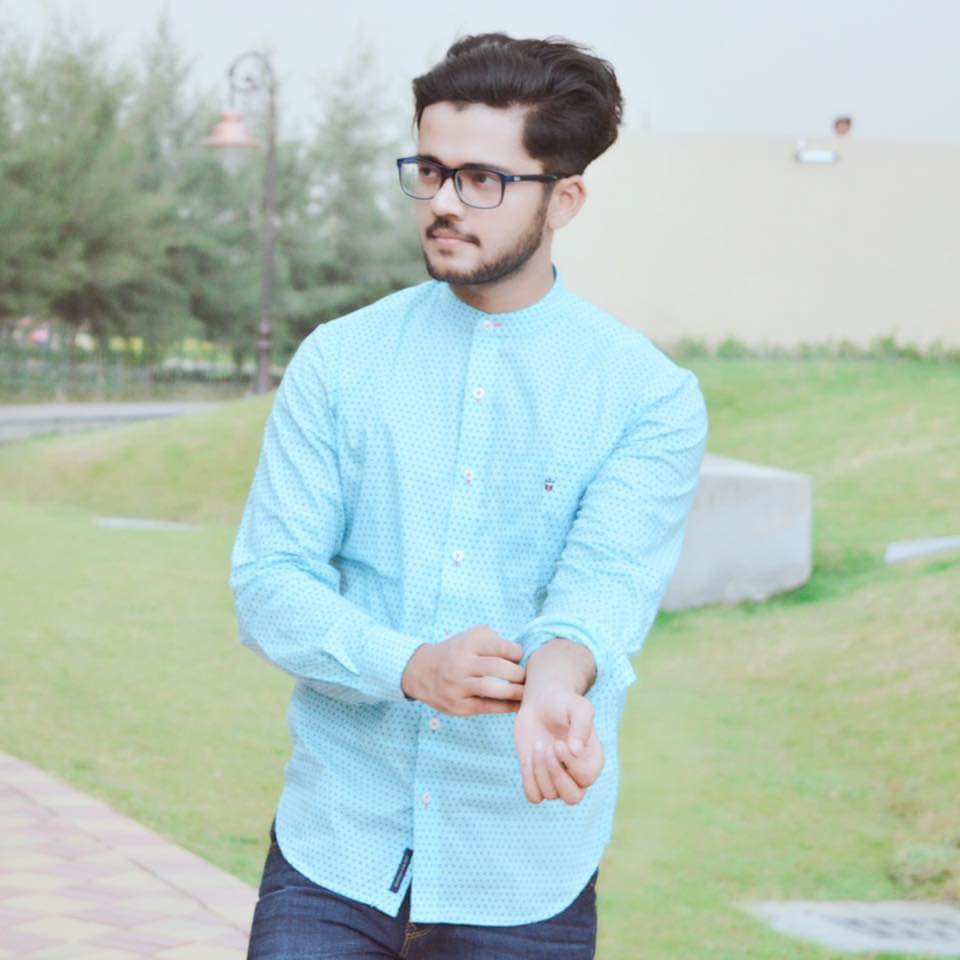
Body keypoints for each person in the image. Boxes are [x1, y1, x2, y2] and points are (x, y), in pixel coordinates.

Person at [233, 31, 708, 960]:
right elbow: (271, 580)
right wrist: (411, 665)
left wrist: (555, 684)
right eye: (431, 171)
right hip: (335, 844)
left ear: (564, 198)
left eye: (483, 179)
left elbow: (603, 589)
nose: (445, 202)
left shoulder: (647, 397)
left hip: (523, 866)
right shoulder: (340, 361)